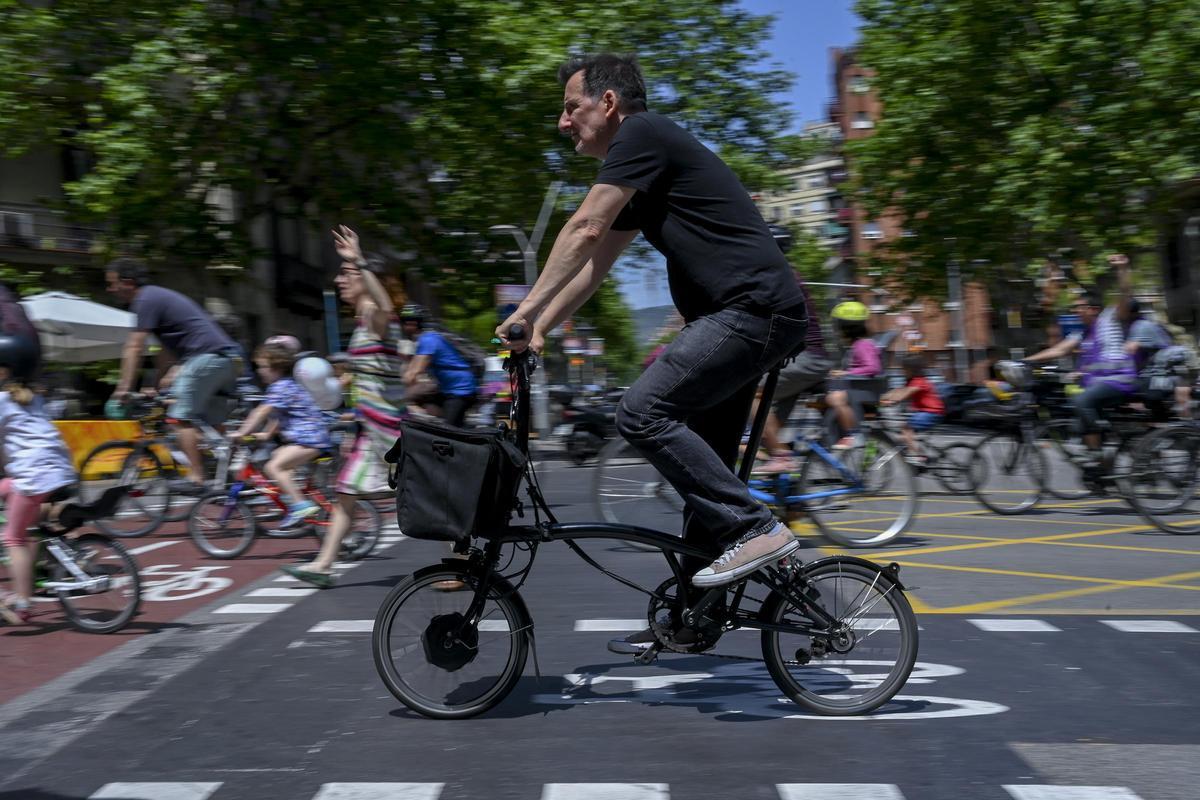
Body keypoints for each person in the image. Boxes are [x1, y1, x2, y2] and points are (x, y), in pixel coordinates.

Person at [494, 53, 808, 654]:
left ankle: (756, 528)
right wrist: (540, 329)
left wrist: (524, 309)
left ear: (608, 104)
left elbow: (584, 228)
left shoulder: (640, 136)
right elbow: (592, 267)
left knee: (641, 413)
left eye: (570, 107)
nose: (563, 123)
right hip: (745, 317)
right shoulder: (644, 166)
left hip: (750, 313)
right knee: (705, 466)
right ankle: (693, 617)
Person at [281, 226, 404, 588]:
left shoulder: (378, 319)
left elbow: (385, 307)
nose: (338, 280)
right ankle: (323, 566)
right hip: (374, 428)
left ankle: (462, 554)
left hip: (391, 430)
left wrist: (358, 260)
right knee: (346, 492)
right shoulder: (362, 325)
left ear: (369, 279)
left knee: (415, 495)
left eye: (345, 274)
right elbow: (369, 379)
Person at [106, 259, 243, 494]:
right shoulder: (156, 298)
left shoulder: (144, 300)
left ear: (127, 283)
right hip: (228, 359)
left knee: (179, 418)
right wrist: (157, 385)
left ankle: (196, 477)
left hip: (206, 357)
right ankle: (231, 479)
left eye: (112, 283)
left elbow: (134, 347)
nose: (110, 289)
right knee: (211, 426)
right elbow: (165, 354)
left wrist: (123, 388)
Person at [1025, 254, 1137, 468]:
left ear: (1093, 309)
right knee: (1079, 417)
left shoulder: (1109, 318)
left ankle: (1098, 453)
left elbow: (1126, 294)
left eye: (1079, 307)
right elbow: (1059, 349)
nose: (1075, 310)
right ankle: (1104, 473)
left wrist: (1122, 269)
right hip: (1103, 385)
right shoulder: (1083, 334)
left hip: (1120, 380)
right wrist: (1025, 362)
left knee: (1082, 402)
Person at [0, 334, 77, 625]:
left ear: (5, 370)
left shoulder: (2, 401)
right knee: (10, 493)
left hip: (34, 476)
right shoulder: (35, 399)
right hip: (58, 471)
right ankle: (44, 554)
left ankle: (22, 602)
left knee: (12, 537)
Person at [231, 343, 332, 530]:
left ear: (276, 368)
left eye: (262, 367)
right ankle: (294, 495)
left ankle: (300, 505)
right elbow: (278, 416)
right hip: (309, 437)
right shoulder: (285, 386)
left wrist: (242, 432)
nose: (259, 371)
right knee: (277, 457)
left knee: (273, 466)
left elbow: (261, 412)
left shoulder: (281, 387)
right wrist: (266, 434)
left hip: (309, 438)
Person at [755, 279, 833, 474]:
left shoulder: (775, 276)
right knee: (767, 431)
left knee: (751, 393)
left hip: (806, 359)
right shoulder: (774, 272)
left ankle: (781, 458)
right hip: (799, 360)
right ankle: (788, 493)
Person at [400, 305, 479, 427]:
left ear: (418, 323)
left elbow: (414, 372)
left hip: (461, 390)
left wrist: (393, 389)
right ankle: (443, 422)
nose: (406, 327)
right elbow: (411, 371)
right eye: (404, 323)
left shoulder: (428, 340)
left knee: (449, 431)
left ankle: (456, 426)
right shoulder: (425, 340)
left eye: (410, 323)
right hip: (446, 389)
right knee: (419, 399)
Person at [824, 299, 884, 449]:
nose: (837, 332)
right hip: (859, 391)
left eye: (838, 327)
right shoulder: (859, 345)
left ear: (847, 328)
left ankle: (855, 434)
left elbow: (873, 367)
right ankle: (839, 433)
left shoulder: (862, 345)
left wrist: (846, 372)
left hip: (864, 392)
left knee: (835, 398)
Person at [881, 354, 946, 464]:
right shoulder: (912, 381)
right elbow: (899, 391)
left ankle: (915, 456)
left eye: (904, 369)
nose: (902, 371)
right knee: (905, 437)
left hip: (932, 412)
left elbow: (904, 394)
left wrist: (891, 401)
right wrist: (883, 397)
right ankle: (923, 457)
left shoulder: (919, 381)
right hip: (926, 412)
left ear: (912, 369)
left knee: (906, 429)